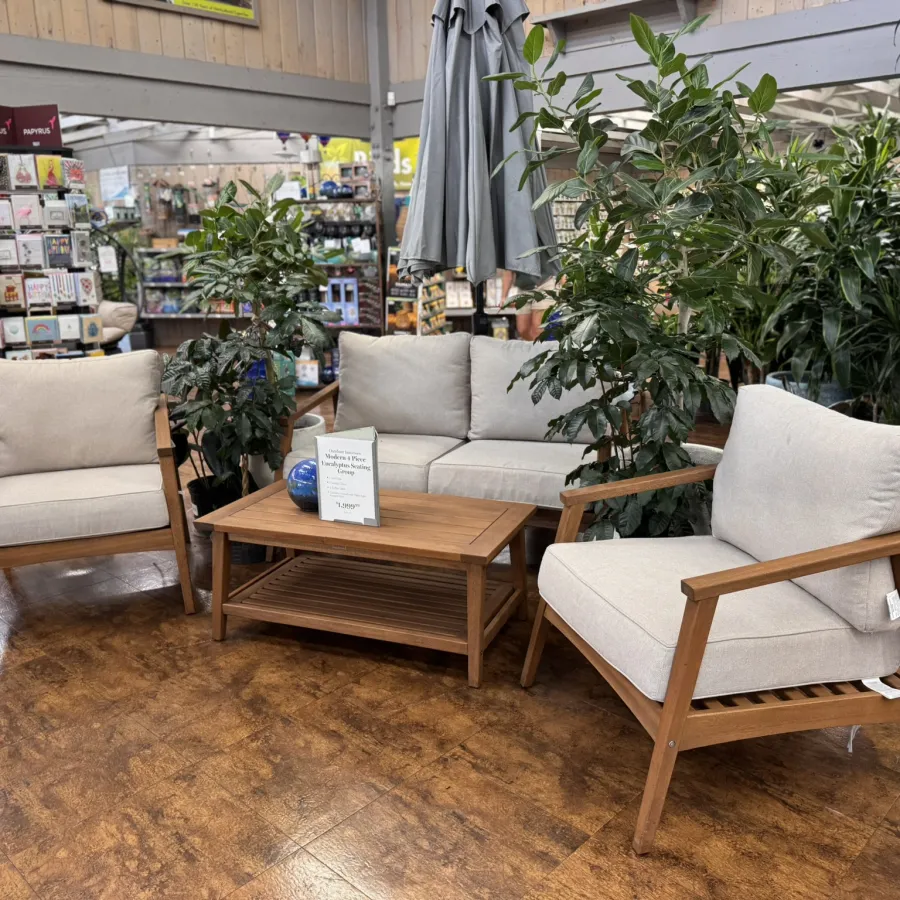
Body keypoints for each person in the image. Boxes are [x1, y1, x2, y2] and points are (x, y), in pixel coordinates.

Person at [501, 270, 556, 341]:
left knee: (538, 329)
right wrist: (503, 297)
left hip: (545, 283)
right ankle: (534, 348)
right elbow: (507, 271)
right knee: (522, 329)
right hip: (523, 287)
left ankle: (538, 350)